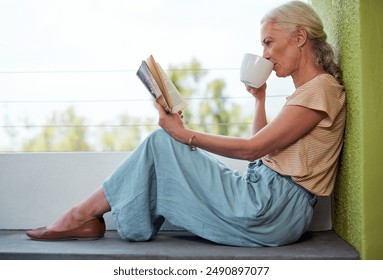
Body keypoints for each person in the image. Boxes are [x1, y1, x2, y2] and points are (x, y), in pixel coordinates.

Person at [26, 1, 346, 247]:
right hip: (266, 200)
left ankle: (79, 216)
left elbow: (253, 149)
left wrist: (185, 134)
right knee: (164, 144)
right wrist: (259, 100)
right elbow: (263, 150)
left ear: (300, 37)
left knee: (165, 142)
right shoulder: (308, 93)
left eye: (269, 42)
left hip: (271, 208)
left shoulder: (320, 90)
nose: (264, 54)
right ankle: (83, 217)